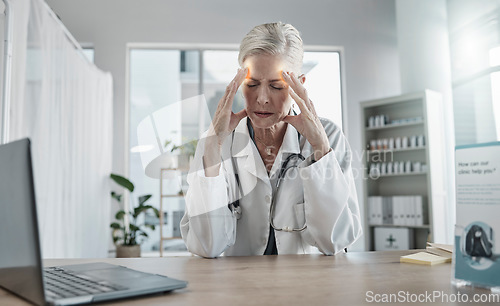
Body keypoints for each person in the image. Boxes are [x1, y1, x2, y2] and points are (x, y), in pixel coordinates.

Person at [180, 22, 362, 258]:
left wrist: (320, 150)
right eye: (252, 84)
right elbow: (207, 247)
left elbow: (335, 241)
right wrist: (213, 149)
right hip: (239, 286)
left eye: (276, 86)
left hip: (309, 286)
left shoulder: (329, 136)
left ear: (300, 85)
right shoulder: (216, 141)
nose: (262, 98)